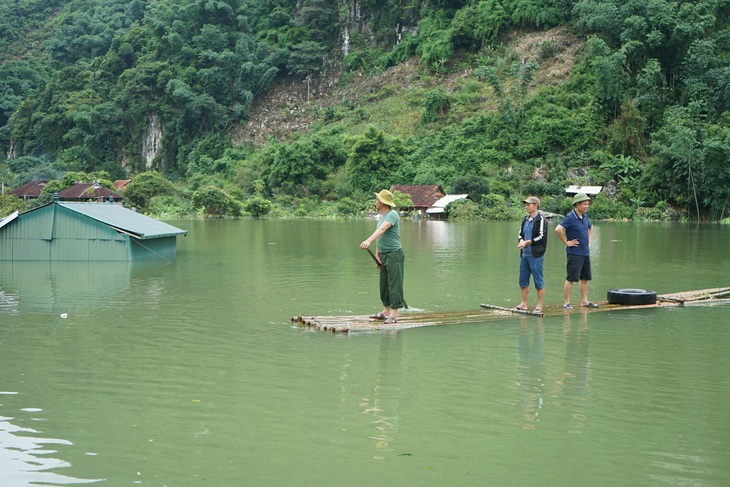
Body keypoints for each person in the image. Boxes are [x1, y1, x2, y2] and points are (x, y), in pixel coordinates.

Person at [360, 189, 405, 324]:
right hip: (384, 255)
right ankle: (385, 311)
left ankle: (394, 315)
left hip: (394, 254)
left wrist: (368, 241)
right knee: (384, 284)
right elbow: (381, 237)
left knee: (395, 284)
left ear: (383, 203)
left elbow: (383, 229)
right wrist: (377, 255)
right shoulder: (381, 217)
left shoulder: (392, 215)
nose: (376, 201)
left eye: (377, 199)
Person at [555, 193, 599, 309]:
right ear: (577, 204)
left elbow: (591, 227)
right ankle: (566, 302)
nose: (586, 206)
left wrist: (589, 241)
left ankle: (584, 301)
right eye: (584, 204)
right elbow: (558, 229)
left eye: (587, 204)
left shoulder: (585, 217)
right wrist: (567, 242)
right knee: (571, 278)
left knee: (585, 278)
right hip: (574, 253)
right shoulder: (571, 217)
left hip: (585, 253)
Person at [515, 196, 548, 313]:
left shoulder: (541, 219)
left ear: (535, 205)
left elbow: (541, 236)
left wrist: (527, 242)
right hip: (524, 254)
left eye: (529, 204)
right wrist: (521, 241)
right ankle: (523, 304)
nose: (526, 206)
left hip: (536, 255)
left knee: (538, 280)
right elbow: (520, 233)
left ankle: (539, 306)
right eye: (526, 204)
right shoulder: (525, 219)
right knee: (523, 280)